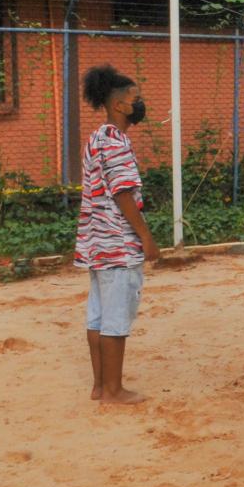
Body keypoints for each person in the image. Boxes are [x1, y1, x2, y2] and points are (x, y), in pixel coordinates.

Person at [76, 65, 160, 404]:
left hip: (96, 243)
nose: (139, 105)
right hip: (117, 244)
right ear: (119, 106)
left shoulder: (97, 137)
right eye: (135, 99)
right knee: (115, 319)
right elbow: (123, 192)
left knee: (97, 315)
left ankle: (99, 386)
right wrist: (146, 237)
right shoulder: (115, 142)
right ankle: (113, 390)